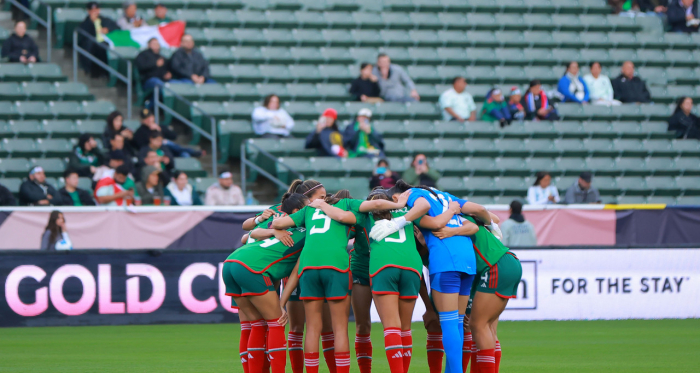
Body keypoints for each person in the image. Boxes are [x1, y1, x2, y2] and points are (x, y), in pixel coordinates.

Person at [273, 190, 411, 373]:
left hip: (308, 268)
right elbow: (373, 207)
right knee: (339, 328)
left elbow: (278, 222)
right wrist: (399, 205)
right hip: (336, 266)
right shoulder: (348, 205)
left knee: (313, 328)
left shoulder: (309, 210)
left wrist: (276, 230)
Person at [371, 181, 502, 373]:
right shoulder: (447, 197)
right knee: (457, 323)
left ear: (397, 197)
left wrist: (398, 221)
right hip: (467, 261)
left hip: (445, 260)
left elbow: (425, 210)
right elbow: (481, 209)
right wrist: (492, 225)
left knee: (448, 324)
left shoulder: (412, 194)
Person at [224, 193, 310, 373]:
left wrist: (271, 229)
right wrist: (281, 304)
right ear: (297, 211)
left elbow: (249, 235)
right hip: (252, 267)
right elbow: (295, 274)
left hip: (232, 261)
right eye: (309, 204)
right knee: (276, 322)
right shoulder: (309, 232)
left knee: (255, 324)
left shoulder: (277, 220)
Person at [77, 2, 118, 78]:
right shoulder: (85, 23)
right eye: (92, 10)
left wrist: (107, 29)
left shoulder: (106, 20)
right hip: (92, 47)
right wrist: (91, 23)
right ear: (88, 11)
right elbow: (82, 37)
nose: (95, 12)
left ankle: (107, 73)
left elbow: (117, 28)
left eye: (96, 9)